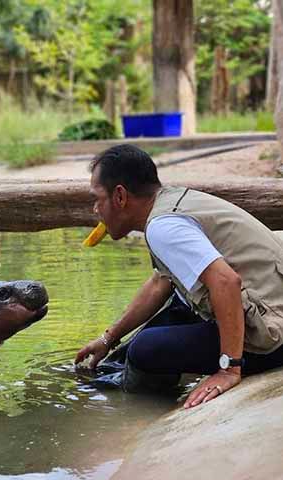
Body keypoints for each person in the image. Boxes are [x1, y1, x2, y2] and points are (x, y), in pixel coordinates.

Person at [75, 144, 283, 409]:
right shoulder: (172, 202)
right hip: (273, 305)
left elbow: (226, 281)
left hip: (274, 337)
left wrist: (229, 368)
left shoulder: (163, 227)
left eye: (97, 198)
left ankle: (132, 409)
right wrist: (108, 339)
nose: (95, 209)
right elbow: (159, 282)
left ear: (119, 196)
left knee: (145, 350)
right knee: (172, 309)